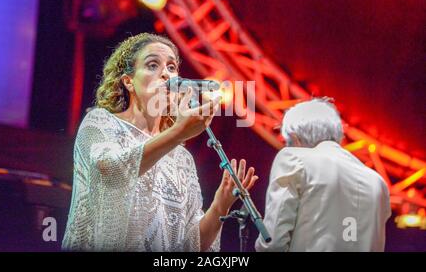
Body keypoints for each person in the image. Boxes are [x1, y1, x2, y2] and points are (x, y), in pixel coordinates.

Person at [62, 33, 258, 251]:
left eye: (172, 67)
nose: (166, 74)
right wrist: (177, 133)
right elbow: (110, 171)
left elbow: (188, 247)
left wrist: (219, 207)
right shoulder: (100, 122)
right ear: (128, 81)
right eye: (152, 65)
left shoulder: (181, 158)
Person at [255, 98, 391, 252]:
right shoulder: (378, 183)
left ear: (294, 138)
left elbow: (272, 243)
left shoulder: (293, 159)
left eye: (288, 142)